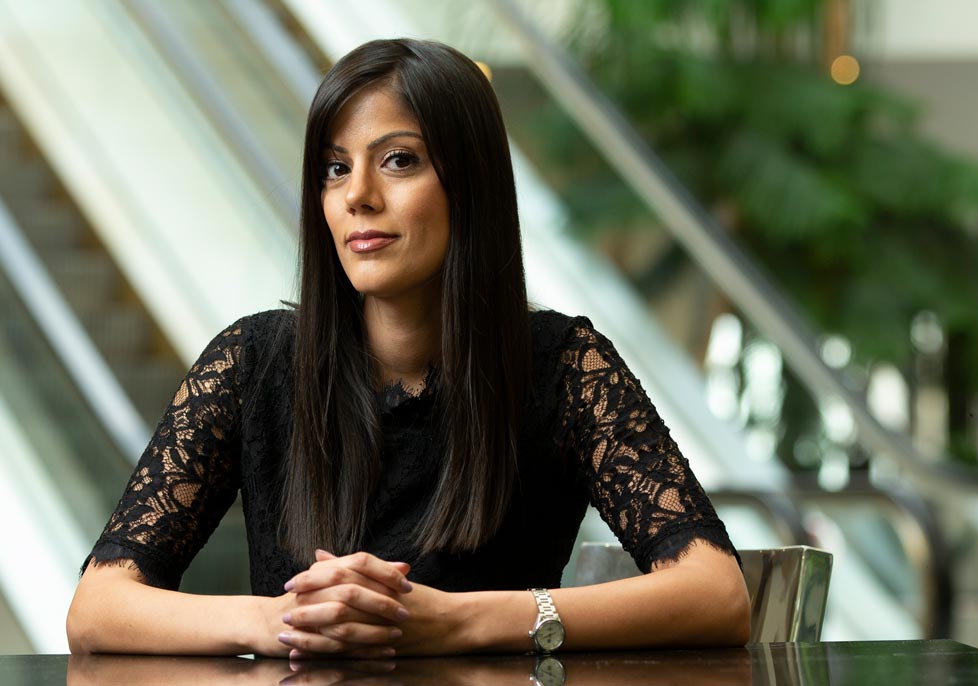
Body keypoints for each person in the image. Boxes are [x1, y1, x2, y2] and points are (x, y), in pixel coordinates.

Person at [65, 37, 749, 658]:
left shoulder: (564, 366)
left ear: (469, 183)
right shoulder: (254, 362)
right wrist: (281, 621)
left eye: (398, 161)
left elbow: (716, 592)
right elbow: (98, 607)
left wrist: (459, 622)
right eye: (335, 168)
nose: (358, 196)